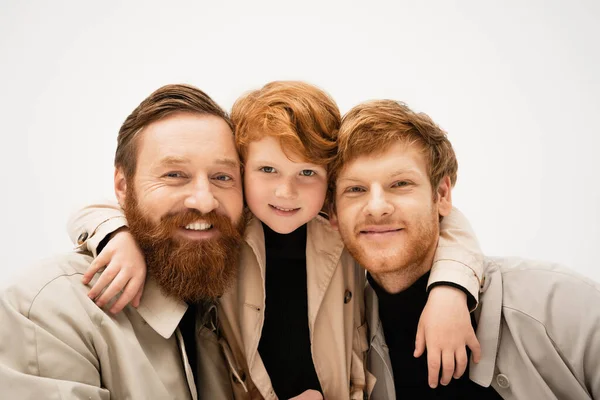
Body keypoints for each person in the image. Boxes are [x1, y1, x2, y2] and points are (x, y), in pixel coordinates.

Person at [68, 81, 484, 399]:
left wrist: (449, 289)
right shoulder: (225, 221)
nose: (286, 193)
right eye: (267, 171)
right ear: (242, 168)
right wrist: (118, 235)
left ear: (330, 179)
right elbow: (105, 206)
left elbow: (444, 219)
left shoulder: (338, 220)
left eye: (307, 173)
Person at [329, 99, 600, 399]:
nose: (377, 207)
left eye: (401, 183)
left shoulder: (560, 305)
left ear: (442, 195)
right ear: (333, 212)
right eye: (355, 189)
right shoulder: (345, 343)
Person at [0, 84, 245, 399]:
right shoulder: (48, 309)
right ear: (122, 186)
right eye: (174, 175)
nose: (204, 201)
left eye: (222, 177)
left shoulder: (231, 295)